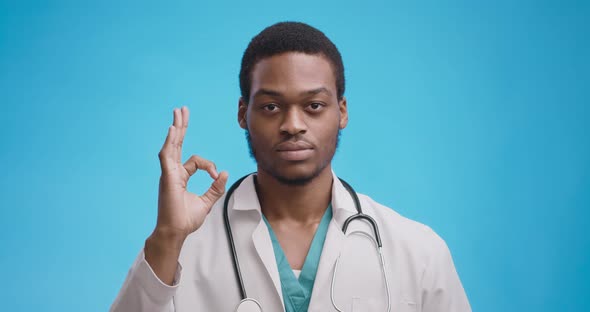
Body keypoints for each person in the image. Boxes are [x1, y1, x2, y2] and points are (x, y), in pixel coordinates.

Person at [110, 21, 471, 312]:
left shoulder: (418, 252)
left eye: (313, 105)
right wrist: (168, 237)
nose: (293, 124)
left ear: (341, 112)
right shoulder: (180, 249)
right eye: (270, 106)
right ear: (242, 114)